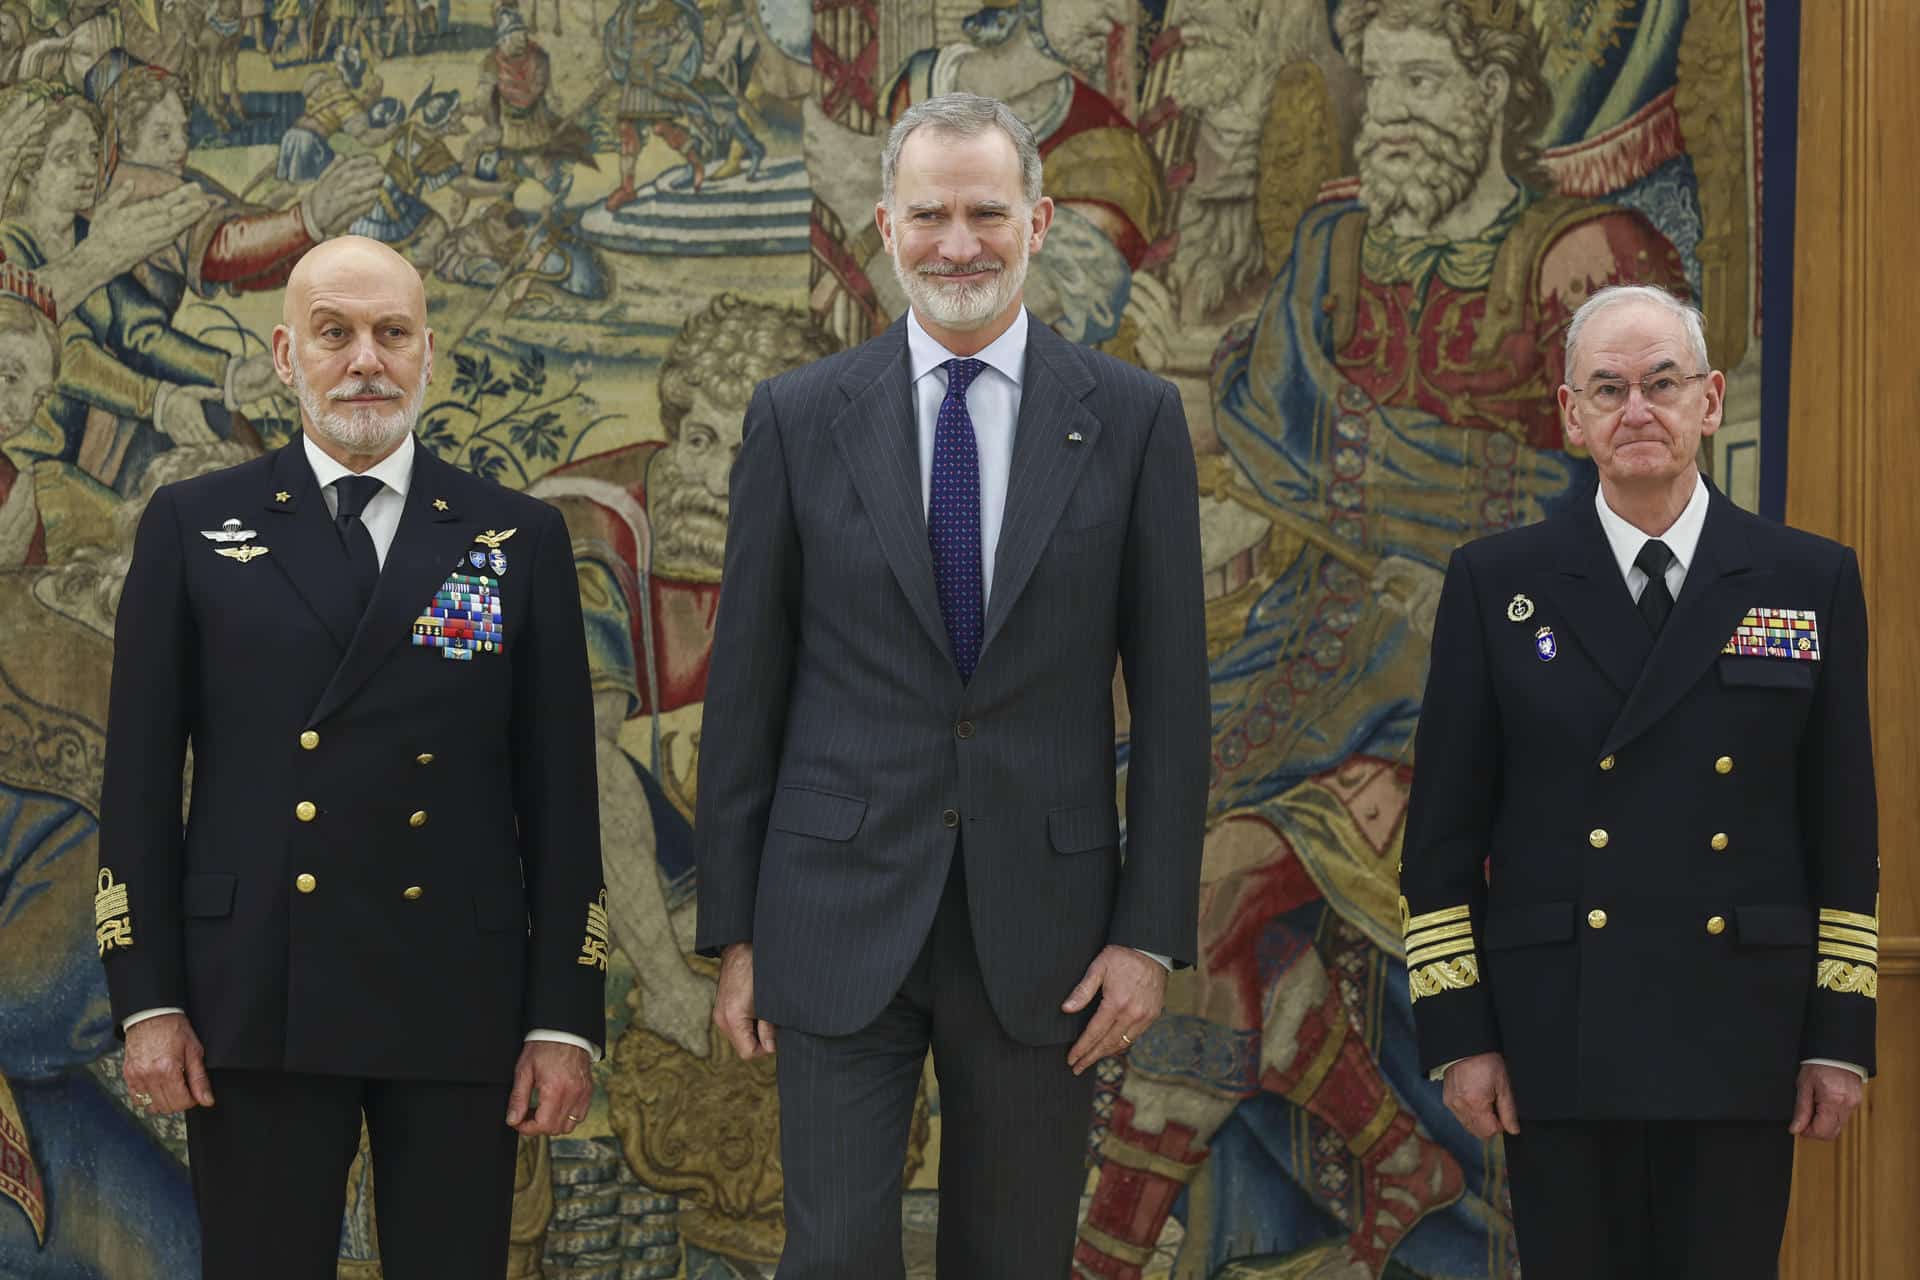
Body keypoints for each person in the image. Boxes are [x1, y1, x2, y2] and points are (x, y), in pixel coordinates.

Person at [695, 92, 1209, 1278]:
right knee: (834, 1255)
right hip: (833, 911)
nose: (958, 243)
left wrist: (1147, 934)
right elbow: (746, 693)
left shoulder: (1133, 420)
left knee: (1015, 1256)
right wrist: (736, 932)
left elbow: (1176, 704)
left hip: (1049, 930)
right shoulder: (799, 418)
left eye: (987, 212)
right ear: (887, 226)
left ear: (1038, 222)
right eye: (930, 215)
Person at [97, 235, 606, 1279]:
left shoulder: (514, 538)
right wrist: (147, 997)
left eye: (392, 333)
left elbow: (562, 800)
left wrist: (565, 1016)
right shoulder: (194, 525)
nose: (365, 360)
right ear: (287, 355)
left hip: (459, 995)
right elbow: (139, 787)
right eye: (334, 333)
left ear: (429, 355)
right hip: (255, 991)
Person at [1401, 284, 1876, 1278]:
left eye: (1661, 383)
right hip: (1561, 1030)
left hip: (1742, 1028)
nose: (1637, 410)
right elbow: (1442, 837)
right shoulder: (1498, 583)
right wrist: (1459, 1033)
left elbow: (1843, 826)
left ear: (1710, 400)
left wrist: (1839, 1032)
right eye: (1608, 389)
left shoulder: (1807, 579)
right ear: (1571, 416)